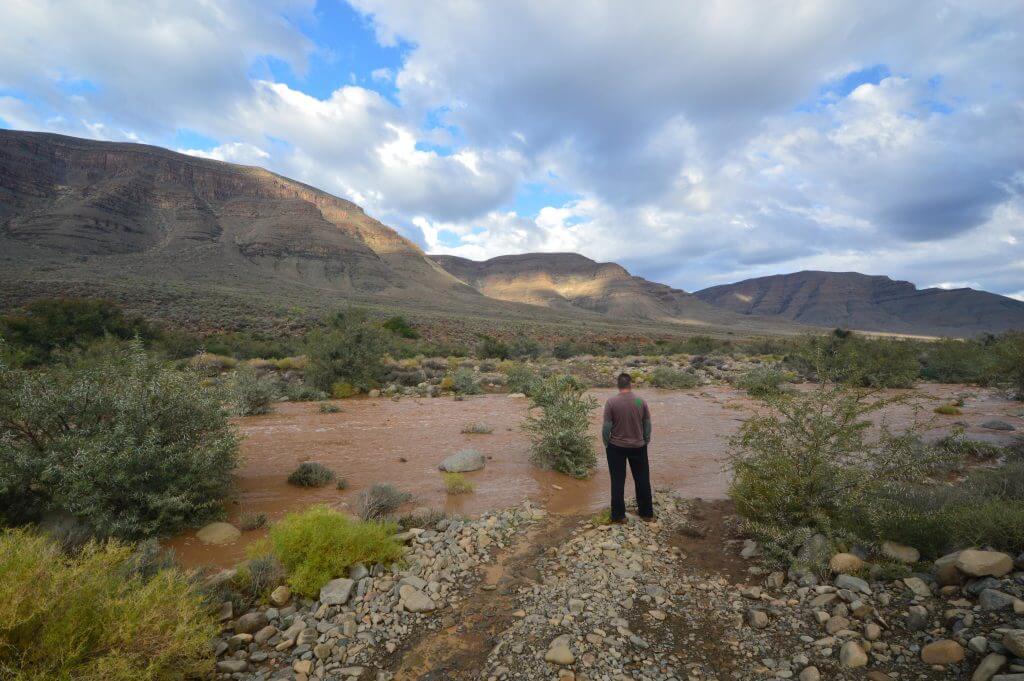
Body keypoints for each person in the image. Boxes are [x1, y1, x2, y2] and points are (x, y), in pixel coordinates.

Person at [601, 372, 654, 523]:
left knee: (617, 481)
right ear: (631, 384)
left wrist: (606, 443)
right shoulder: (639, 401)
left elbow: (606, 427)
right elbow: (647, 423)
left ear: (618, 385)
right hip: (638, 446)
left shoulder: (611, 402)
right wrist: (645, 440)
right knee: (642, 479)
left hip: (616, 447)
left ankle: (619, 516)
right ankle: (646, 513)